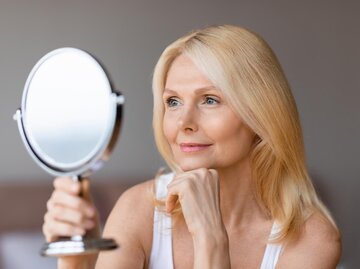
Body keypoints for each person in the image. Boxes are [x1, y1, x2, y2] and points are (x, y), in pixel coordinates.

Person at [43, 24, 341, 269]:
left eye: (210, 100)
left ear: (260, 114)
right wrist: (75, 263)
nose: (184, 122)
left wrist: (211, 240)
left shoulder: (311, 239)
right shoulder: (139, 210)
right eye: (173, 101)